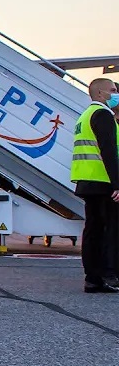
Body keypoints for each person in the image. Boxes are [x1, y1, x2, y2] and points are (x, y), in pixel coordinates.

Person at [71, 78, 119, 293]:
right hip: (103, 181)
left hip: (87, 180)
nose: (116, 93)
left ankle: (92, 278)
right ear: (100, 94)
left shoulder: (84, 117)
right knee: (110, 230)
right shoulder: (104, 115)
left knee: (93, 230)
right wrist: (117, 184)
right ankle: (109, 274)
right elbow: (108, 151)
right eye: (112, 90)